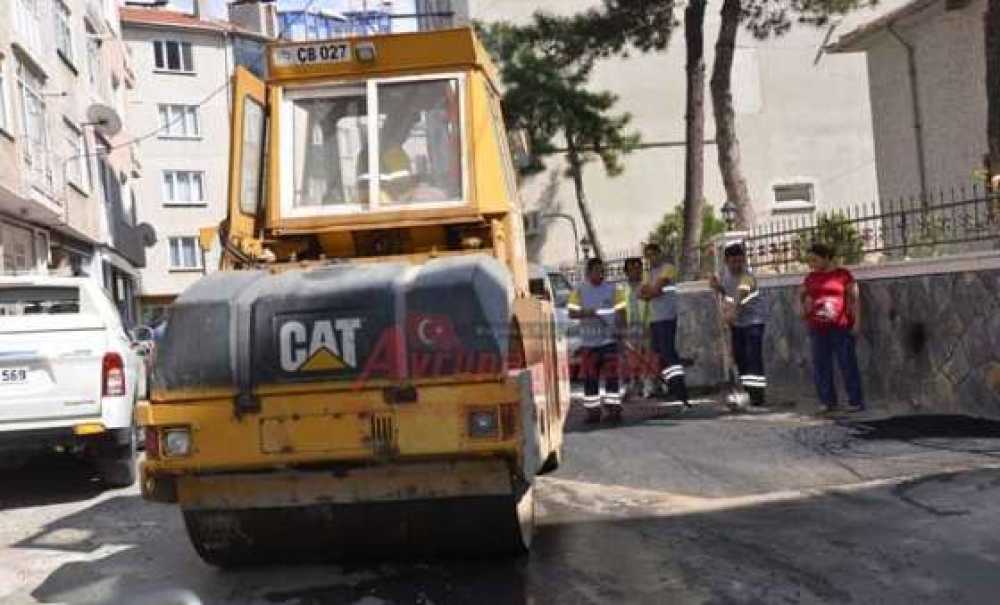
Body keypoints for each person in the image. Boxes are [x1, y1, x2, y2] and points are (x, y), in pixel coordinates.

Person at [799, 243, 865, 413]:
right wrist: (802, 310)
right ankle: (827, 401)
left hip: (841, 327)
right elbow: (800, 295)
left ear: (827, 257)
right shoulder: (810, 278)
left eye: (815, 260)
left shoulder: (843, 275)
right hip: (817, 328)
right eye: (809, 261)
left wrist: (857, 322)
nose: (812, 264)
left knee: (847, 364)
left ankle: (855, 401)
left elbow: (855, 298)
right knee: (821, 365)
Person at [567, 257, 627, 423]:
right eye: (597, 271)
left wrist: (621, 331)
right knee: (590, 379)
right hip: (589, 344)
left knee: (611, 377)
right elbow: (571, 312)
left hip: (609, 341)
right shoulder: (579, 290)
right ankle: (593, 411)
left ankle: (614, 409)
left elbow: (621, 312)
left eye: (602, 271)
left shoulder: (613, 289)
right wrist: (588, 312)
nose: (600, 274)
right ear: (588, 272)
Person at [710, 243, 768, 407]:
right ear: (726, 262)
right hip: (738, 325)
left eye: (739, 261)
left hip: (753, 323)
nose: (736, 265)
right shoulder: (726, 275)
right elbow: (727, 292)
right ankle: (746, 392)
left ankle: (757, 397)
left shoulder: (747, 277)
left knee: (753, 358)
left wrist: (730, 314)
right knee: (740, 358)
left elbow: (739, 297)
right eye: (733, 262)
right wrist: (717, 287)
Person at [640, 243, 690, 407]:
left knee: (669, 353)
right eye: (648, 255)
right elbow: (642, 293)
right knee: (659, 354)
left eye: (653, 254)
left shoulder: (667, 268)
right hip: (655, 319)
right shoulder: (649, 273)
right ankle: (670, 387)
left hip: (667, 317)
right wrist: (651, 292)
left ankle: (680, 390)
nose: (651, 258)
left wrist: (652, 292)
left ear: (659, 254)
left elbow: (654, 290)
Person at [621, 257, 652, 400]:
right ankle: (633, 386)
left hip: (647, 325)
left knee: (648, 357)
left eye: (639, 268)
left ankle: (649, 386)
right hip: (630, 327)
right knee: (631, 359)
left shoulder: (648, 285)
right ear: (626, 272)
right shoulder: (622, 289)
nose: (636, 271)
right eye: (632, 269)